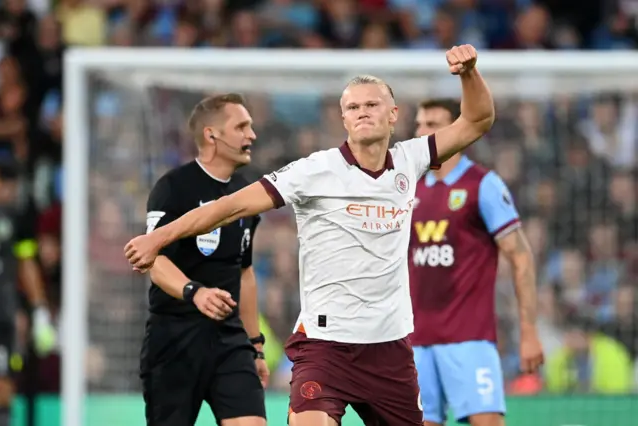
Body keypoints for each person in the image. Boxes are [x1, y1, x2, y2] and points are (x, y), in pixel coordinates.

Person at [126, 45, 493, 426]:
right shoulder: (314, 171)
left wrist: (468, 74)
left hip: (390, 348)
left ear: (393, 114)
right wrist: (159, 238)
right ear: (344, 119)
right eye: (353, 107)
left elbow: (477, 120)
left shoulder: (410, 159)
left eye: (372, 104)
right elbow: (230, 206)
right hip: (325, 344)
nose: (363, 112)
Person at [408, 98, 545, 426]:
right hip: (414, 341)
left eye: (432, 125)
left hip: (469, 338)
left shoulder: (482, 185)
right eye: (419, 125)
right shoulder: (406, 188)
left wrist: (528, 330)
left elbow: (520, 256)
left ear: (456, 130)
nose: (422, 132)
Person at [139, 94, 268, 426]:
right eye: (241, 126)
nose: (251, 135)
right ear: (212, 135)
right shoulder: (173, 188)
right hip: (175, 339)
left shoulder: (245, 194)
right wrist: (195, 292)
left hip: (229, 339)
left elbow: (245, 273)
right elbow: (154, 261)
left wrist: (256, 345)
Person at [0, 163, 56, 426]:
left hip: (4, 312)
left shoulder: (17, 217)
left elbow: (26, 264)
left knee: (3, 380)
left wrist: (39, 308)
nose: (9, 191)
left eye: (12, 184)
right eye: (5, 184)